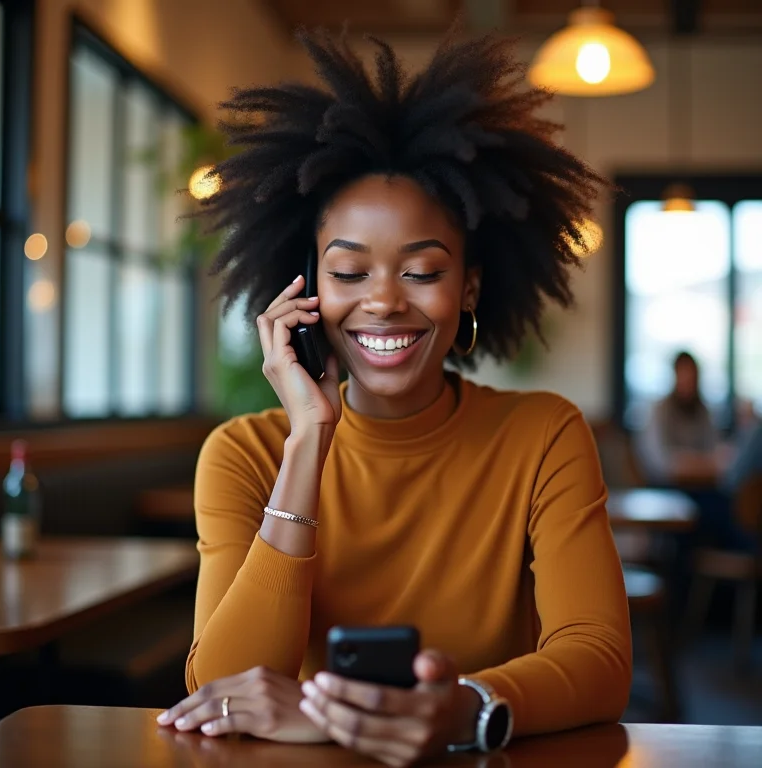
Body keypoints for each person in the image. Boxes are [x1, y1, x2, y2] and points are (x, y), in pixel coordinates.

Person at [156, 28, 632, 765]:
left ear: (467, 286)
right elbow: (220, 690)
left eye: (422, 270)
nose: (383, 302)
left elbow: (599, 660)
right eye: (349, 274)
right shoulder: (244, 455)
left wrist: (456, 710)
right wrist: (309, 438)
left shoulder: (544, 435)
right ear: (307, 287)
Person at [638, 351, 722, 486]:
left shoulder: (703, 411)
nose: (688, 383)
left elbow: (714, 450)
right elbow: (656, 459)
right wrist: (686, 463)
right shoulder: (660, 410)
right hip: (666, 485)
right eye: (684, 376)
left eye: (691, 377)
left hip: (702, 484)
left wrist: (698, 464)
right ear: (675, 375)